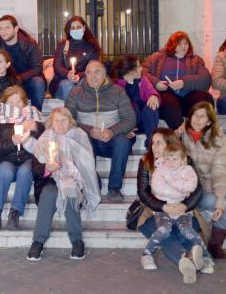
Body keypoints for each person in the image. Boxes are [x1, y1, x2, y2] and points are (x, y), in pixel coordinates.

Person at [135, 128, 212, 284]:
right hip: (154, 211)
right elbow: (143, 193)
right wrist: (163, 206)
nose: (154, 146)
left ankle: (196, 258)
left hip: (184, 210)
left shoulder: (184, 159)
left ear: (170, 144)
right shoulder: (146, 161)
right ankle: (187, 259)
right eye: (153, 143)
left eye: (159, 143)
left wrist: (184, 205)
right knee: (165, 231)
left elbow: (197, 189)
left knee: (185, 229)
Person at [27, 107, 100, 261]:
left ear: (70, 121)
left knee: (70, 188)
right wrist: (47, 168)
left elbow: (88, 165)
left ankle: (76, 240)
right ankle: (38, 241)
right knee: (49, 193)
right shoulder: (44, 139)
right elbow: (35, 168)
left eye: (63, 120)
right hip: (50, 180)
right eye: (56, 121)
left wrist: (73, 172)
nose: (59, 124)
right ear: (51, 122)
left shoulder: (79, 136)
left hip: (77, 181)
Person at [64, 60, 136, 203]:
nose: (93, 76)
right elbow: (67, 119)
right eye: (89, 72)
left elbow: (130, 119)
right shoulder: (76, 92)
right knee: (82, 139)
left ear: (105, 74)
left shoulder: (118, 91)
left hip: (111, 141)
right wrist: (89, 130)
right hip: (88, 141)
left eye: (97, 72)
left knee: (123, 142)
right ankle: (92, 183)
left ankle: (114, 188)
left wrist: (112, 131)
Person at [180, 102, 226, 260]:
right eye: (195, 114)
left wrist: (221, 201)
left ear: (209, 121)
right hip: (198, 188)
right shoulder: (182, 135)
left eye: (202, 116)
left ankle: (215, 244)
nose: (197, 119)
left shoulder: (219, 140)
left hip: (220, 181)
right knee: (220, 201)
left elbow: (220, 172)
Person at [0, 86, 44, 233]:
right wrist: (11, 141)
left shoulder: (34, 115)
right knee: (4, 170)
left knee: (25, 171)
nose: (15, 106)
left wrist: (36, 127)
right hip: (6, 159)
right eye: (11, 102)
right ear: (4, 103)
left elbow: (46, 140)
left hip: (28, 158)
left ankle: (15, 212)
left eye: (19, 102)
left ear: (24, 102)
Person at [142, 31, 214, 130]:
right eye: (179, 44)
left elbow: (206, 79)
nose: (183, 47)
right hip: (166, 94)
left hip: (187, 96)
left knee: (206, 97)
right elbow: (142, 71)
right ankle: (179, 133)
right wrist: (156, 83)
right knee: (170, 102)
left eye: (186, 43)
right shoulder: (158, 57)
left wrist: (183, 83)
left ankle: (201, 130)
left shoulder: (195, 59)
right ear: (172, 45)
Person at [0, 14, 46, 110]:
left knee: (38, 82)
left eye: (7, 28)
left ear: (16, 29)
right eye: (1, 28)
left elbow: (37, 67)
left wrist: (19, 78)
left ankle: (36, 113)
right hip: (5, 82)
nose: (3, 31)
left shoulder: (30, 43)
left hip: (26, 81)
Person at [113, 55, 160, 149]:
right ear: (131, 72)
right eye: (138, 67)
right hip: (129, 126)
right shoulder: (117, 86)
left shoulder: (143, 80)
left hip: (145, 122)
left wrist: (154, 96)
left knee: (151, 107)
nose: (141, 68)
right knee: (132, 107)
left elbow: (150, 90)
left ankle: (151, 143)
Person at [50, 15, 103, 100]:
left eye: (78, 27)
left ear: (84, 28)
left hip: (83, 79)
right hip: (62, 82)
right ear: (69, 30)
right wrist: (68, 74)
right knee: (67, 85)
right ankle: (72, 111)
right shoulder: (63, 45)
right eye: (73, 28)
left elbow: (93, 67)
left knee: (84, 84)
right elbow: (57, 66)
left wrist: (79, 76)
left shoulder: (91, 46)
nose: (75, 30)